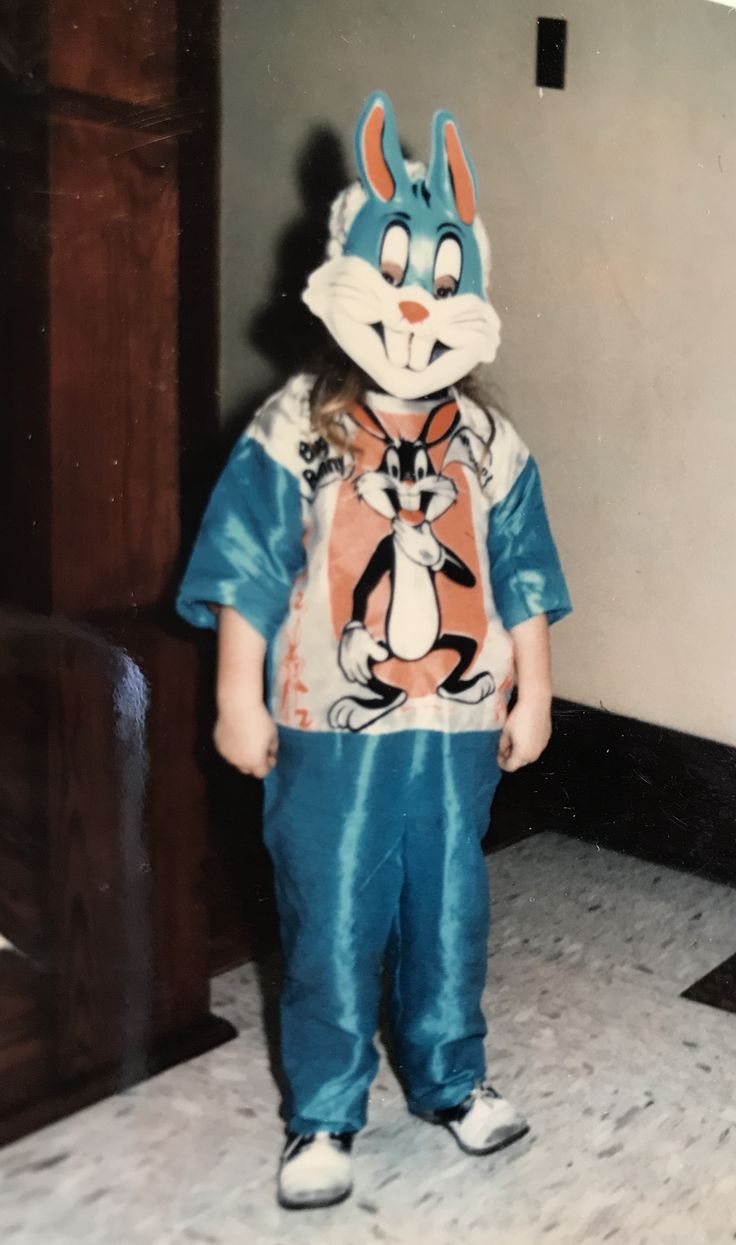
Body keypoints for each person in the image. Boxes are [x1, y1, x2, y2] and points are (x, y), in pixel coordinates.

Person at [177, 91, 571, 1211]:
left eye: (442, 281)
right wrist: (235, 700)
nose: (415, 300)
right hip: (323, 726)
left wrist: (534, 690)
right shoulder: (294, 426)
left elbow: (525, 573)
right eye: (394, 274)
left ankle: (453, 1079)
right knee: (332, 908)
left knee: (450, 907)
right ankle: (323, 1112)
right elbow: (246, 567)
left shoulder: (493, 444)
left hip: (454, 724)